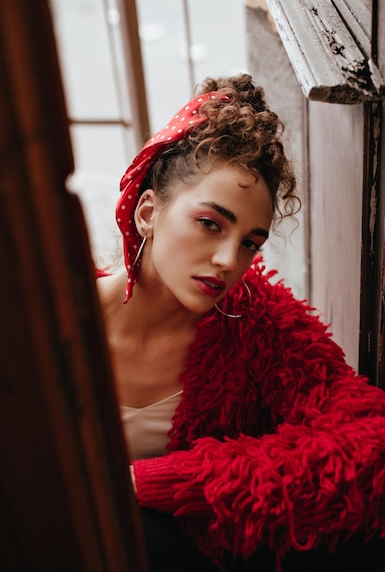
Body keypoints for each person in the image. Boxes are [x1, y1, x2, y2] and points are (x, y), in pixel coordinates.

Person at [96, 74, 385, 571]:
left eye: (251, 242)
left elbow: (372, 442)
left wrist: (167, 482)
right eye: (210, 224)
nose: (230, 260)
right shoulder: (53, 318)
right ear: (148, 211)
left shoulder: (261, 326)